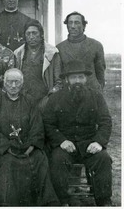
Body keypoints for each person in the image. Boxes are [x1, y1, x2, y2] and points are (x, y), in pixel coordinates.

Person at [43, 60, 112, 206]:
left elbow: (106, 122)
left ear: (86, 79)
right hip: (65, 145)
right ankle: (63, 201)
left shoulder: (96, 97)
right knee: (57, 159)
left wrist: (98, 142)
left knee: (103, 159)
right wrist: (61, 141)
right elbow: (48, 123)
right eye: (74, 78)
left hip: (89, 144)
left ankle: (103, 201)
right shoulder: (55, 98)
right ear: (67, 79)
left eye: (81, 77)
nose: (77, 81)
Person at [0, 68, 59, 206]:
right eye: (10, 82)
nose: (13, 86)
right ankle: (8, 203)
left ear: (22, 83)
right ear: (4, 83)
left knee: (39, 159)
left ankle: (44, 203)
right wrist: (7, 147)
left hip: (28, 147)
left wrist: (32, 145)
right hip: (6, 150)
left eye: (17, 82)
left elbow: (37, 126)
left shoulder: (30, 101)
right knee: (8, 163)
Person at [14, 19, 62, 112]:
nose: (31, 37)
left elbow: (59, 81)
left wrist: (49, 98)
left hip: (45, 101)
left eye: (34, 33)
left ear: (41, 35)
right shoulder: (18, 54)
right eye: (28, 34)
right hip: (23, 101)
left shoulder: (52, 53)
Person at [56, 12, 106, 91]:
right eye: (70, 23)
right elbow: (58, 75)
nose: (73, 26)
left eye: (77, 23)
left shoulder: (96, 45)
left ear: (83, 26)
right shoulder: (59, 48)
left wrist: (98, 90)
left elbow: (100, 73)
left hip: (91, 92)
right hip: (68, 94)